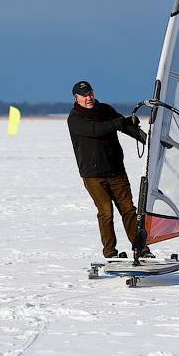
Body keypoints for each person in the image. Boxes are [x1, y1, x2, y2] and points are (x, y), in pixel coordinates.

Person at [67, 80, 152, 259]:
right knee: (106, 212)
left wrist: (145, 138)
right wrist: (122, 122)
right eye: (84, 96)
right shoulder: (75, 118)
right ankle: (110, 253)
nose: (89, 98)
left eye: (90, 93)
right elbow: (97, 129)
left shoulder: (105, 110)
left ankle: (142, 250)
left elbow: (123, 126)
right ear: (76, 98)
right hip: (94, 176)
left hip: (116, 171)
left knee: (129, 211)